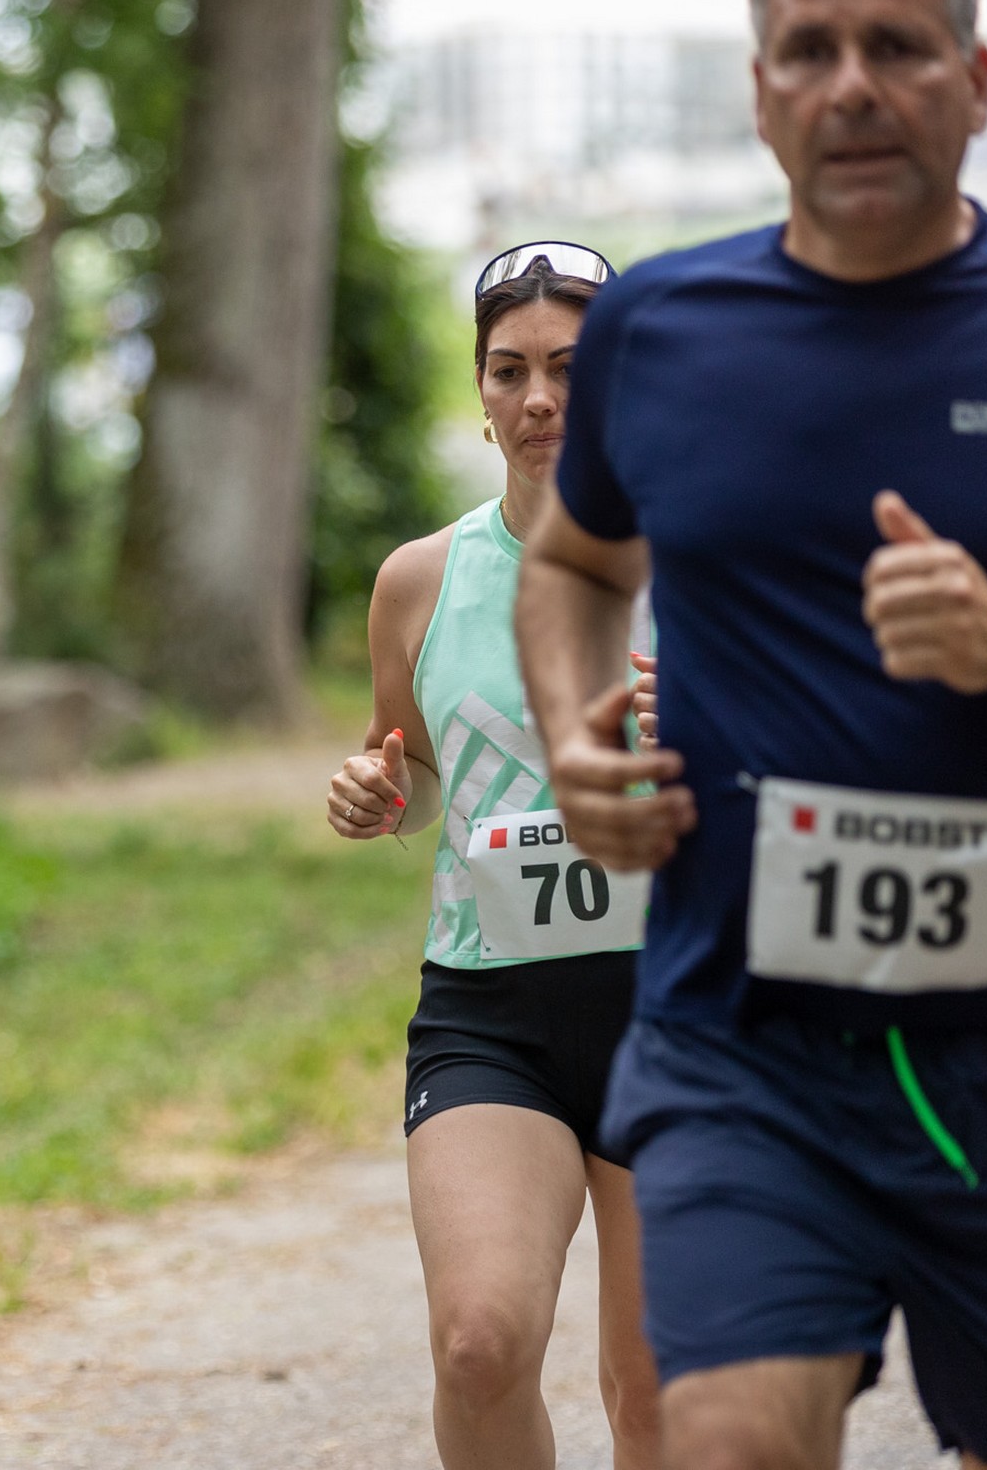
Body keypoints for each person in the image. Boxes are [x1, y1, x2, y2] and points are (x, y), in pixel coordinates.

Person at [516, 0, 987, 1469]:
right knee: (728, 1445)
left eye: (897, 46)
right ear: (760, 94)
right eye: (809, 51)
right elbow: (575, 565)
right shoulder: (659, 327)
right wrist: (572, 740)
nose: (853, 87)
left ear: (978, 79)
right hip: (743, 1046)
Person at [328, 241, 662, 1469]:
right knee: (479, 1345)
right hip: (493, 1008)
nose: (540, 399)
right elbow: (412, 773)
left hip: (683, 1006)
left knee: (658, 1386)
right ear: (479, 391)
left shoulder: (711, 564)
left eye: (572, 367)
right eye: (510, 369)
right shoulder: (420, 580)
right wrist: (376, 792)